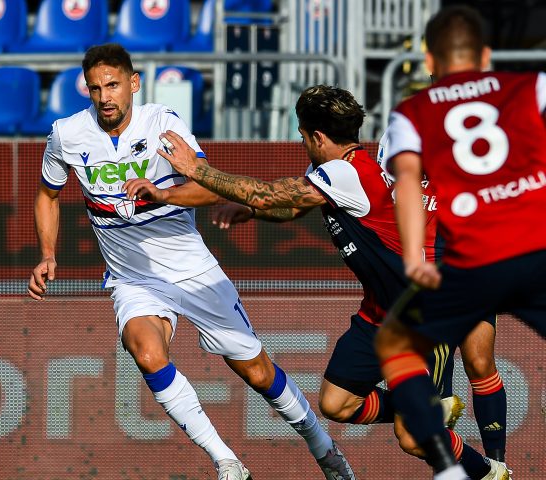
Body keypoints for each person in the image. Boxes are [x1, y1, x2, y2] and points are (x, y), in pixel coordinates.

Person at [27, 43, 355, 480]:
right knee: (145, 351)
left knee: (257, 372)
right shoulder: (67, 134)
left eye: (113, 85)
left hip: (192, 269)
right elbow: (48, 196)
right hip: (132, 277)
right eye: (95, 88)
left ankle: (323, 447)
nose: (105, 97)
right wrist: (48, 254)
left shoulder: (162, 123)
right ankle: (227, 461)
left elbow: (209, 185)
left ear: (133, 84)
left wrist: (162, 193)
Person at [159, 84, 507, 479]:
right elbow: (289, 205)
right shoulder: (333, 172)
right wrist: (251, 212)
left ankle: (489, 471)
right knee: (337, 403)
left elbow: (270, 192)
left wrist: (196, 169)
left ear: (317, 136)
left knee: (413, 439)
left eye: (303, 134)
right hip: (380, 313)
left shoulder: (349, 172)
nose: (301, 140)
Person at [376, 5, 546, 479]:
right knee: (477, 356)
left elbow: (403, 187)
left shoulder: (411, 118)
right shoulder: (530, 90)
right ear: (487, 55)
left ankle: (467, 469)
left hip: (469, 256)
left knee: (402, 348)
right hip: (505, 250)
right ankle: (494, 469)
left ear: (429, 59)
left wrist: (413, 258)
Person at [379, 132, 508, 464]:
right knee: (433, 411)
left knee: (480, 361)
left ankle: (499, 464)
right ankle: (466, 466)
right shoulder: (393, 142)